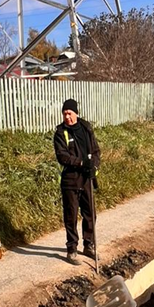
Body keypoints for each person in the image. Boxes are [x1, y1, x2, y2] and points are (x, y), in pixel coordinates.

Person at [53, 98, 101, 265]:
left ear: (76, 113)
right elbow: (62, 156)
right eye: (65, 114)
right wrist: (81, 163)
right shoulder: (60, 133)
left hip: (86, 179)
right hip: (70, 181)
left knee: (90, 213)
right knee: (71, 215)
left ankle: (89, 245)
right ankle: (72, 249)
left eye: (70, 113)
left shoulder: (86, 128)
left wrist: (93, 166)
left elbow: (95, 151)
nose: (67, 117)